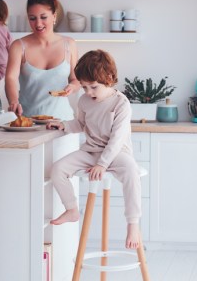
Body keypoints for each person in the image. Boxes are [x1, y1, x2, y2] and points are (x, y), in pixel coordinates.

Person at [47, 50, 142, 249]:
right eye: (84, 87)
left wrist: (102, 164)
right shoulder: (83, 101)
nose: (88, 92)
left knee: (131, 171)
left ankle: (133, 223)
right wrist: (64, 125)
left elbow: (117, 140)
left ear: (108, 79)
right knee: (57, 169)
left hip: (116, 154)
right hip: (90, 151)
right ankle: (72, 209)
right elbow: (81, 124)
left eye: (93, 87)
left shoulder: (121, 104)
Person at [4, 0, 81, 120]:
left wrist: (72, 87)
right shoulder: (18, 46)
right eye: (32, 18)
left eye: (43, 17)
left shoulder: (69, 44)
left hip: (64, 123)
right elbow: (10, 79)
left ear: (54, 16)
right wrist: (13, 101)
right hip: (28, 123)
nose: (38, 24)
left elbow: (76, 79)